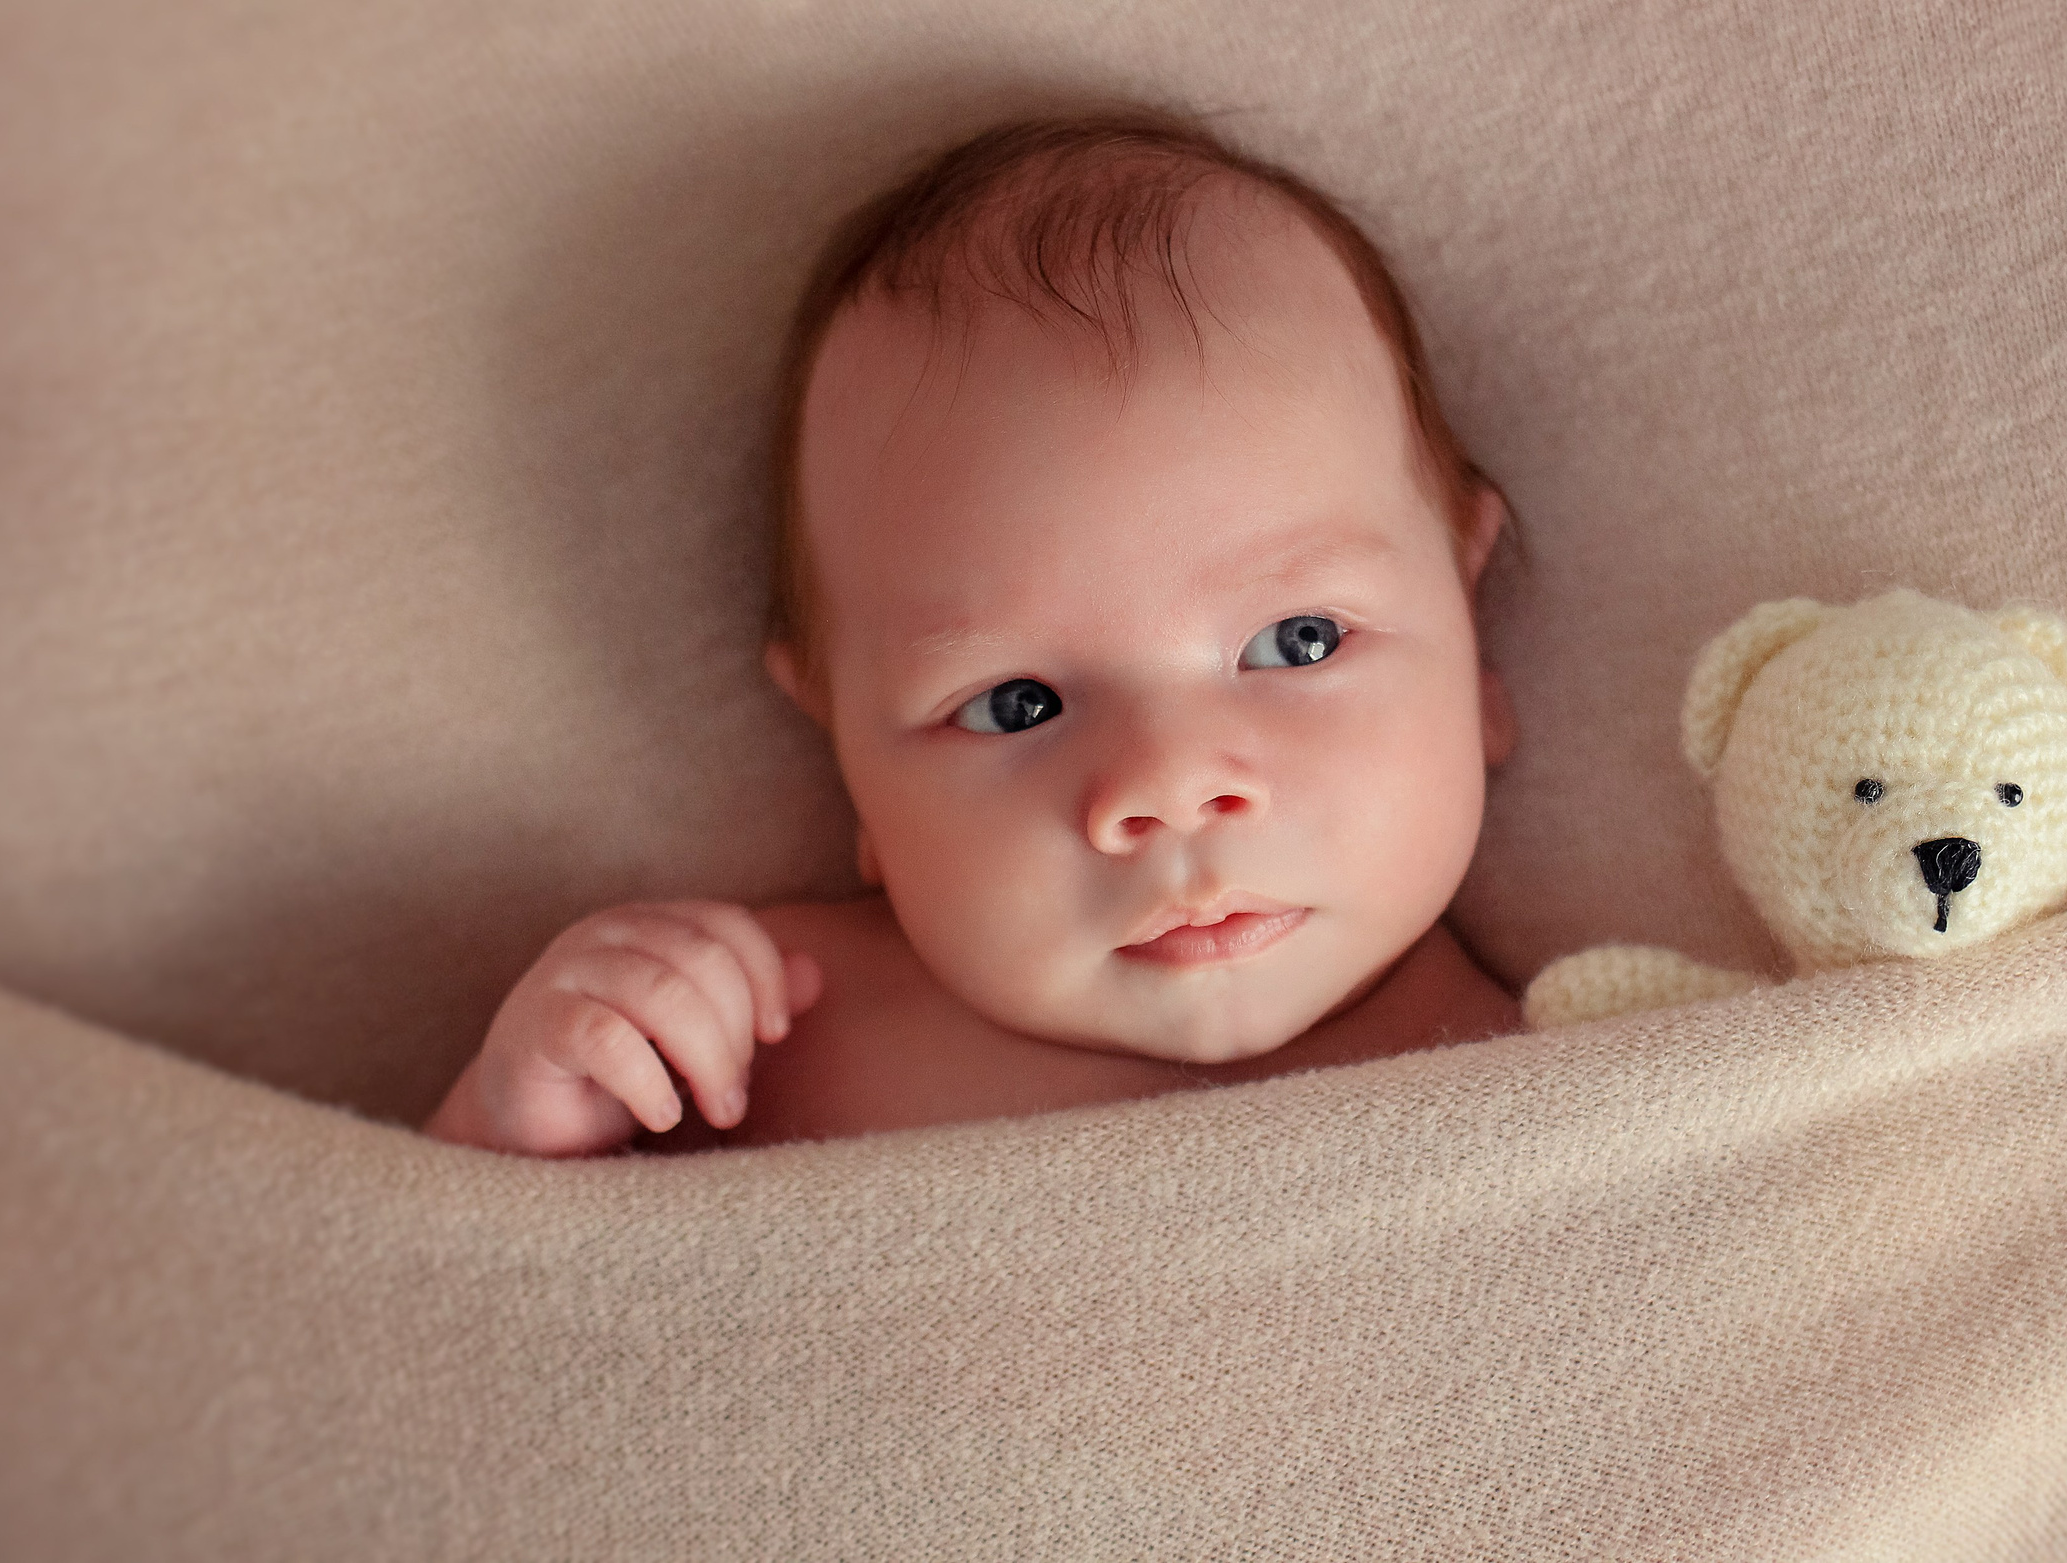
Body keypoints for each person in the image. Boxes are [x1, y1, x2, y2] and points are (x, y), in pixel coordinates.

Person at [426, 110, 1521, 1153]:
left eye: (1299, 640)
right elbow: (439, 1277)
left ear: (1472, 651)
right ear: (849, 758)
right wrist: (521, 1126)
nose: (1172, 785)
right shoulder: (756, 1042)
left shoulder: (1558, 1068)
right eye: (1015, 705)